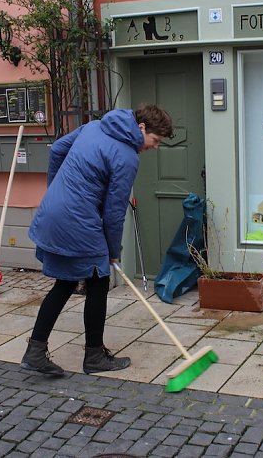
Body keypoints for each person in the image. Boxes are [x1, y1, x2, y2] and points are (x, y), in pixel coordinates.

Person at [21, 104, 173, 376]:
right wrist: (112, 250)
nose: (155, 146)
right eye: (155, 139)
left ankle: (35, 352)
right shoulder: (127, 157)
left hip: (55, 211)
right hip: (77, 219)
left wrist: (57, 189)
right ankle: (93, 357)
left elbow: (57, 151)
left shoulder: (94, 127)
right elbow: (114, 212)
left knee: (66, 281)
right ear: (141, 128)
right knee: (98, 281)